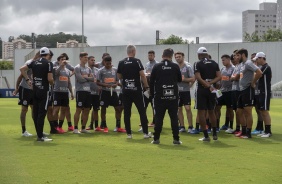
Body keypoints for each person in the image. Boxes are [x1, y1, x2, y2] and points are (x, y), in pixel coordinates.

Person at [19, 47, 54, 142]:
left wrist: (27, 80)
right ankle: (40, 136)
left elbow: (22, 69)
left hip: (35, 90)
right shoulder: (48, 63)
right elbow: (50, 79)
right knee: (42, 114)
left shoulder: (34, 62)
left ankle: (39, 134)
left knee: (36, 112)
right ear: (48, 54)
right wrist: (52, 84)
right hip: (44, 91)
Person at [117, 45, 151, 139]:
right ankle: (145, 133)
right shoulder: (137, 61)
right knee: (142, 111)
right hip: (137, 90)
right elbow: (142, 75)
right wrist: (146, 86)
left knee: (127, 112)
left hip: (126, 90)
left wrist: (126, 78)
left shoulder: (121, 62)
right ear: (133, 51)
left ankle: (129, 134)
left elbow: (119, 76)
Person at [150, 48, 182, 144]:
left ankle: (156, 139)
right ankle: (176, 139)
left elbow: (151, 81)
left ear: (162, 55)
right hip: (173, 96)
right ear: (171, 56)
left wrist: (152, 94)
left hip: (159, 96)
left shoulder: (156, 66)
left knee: (159, 117)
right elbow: (179, 79)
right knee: (174, 118)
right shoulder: (175, 66)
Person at [194, 47, 221, 141]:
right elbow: (219, 76)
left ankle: (206, 136)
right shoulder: (214, 63)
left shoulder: (198, 63)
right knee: (211, 111)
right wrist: (210, 84)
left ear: (199, 54)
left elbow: (198, 77)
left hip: (202, 89)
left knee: (201, 112)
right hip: (212, 89)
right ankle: (214, 134)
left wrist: (206, 84)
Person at [235, 48, 262, 139]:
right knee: (239, 111)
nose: (236, 57)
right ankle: (243, 131)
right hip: (241, 90)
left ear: (243, 55)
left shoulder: (248, 63)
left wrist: (253, 82)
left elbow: (259, 72)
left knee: (248, 112)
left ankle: (248, 133)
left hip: (248, 90)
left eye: (238, 55)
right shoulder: (242, 65)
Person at [13, 52, 41, 137]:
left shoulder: (38, 65)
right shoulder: (29, 63)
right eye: (40, 57)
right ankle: (24, 130)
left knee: (34, 109)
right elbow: (20, 76)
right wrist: (17, 88)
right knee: (24, 109)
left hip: (33, 90)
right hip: (25, 89)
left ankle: (38, 130)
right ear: (37, 56)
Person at [97, 55, 126, 133]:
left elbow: (117, 80)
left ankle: (118, 126)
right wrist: (106, 85)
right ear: (104, 62)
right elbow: (97, 82)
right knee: (103, 109)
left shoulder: (115, 70)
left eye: (110, 63)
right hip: (104, 92)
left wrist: (115, 84)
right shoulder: (100, 71)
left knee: (118, 108)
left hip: (113, 92)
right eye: (107, 63)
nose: (108, 65)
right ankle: (104, 126)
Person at [53, 53, 75, 131]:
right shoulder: (56, 68)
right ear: (58, 61)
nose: (63, 61)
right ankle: (54, 126)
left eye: (64, 59)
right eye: (62, 59)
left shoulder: (67, 71)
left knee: (64, 109)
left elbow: (68, 83)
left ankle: (60, 126)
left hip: (65, 92)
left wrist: (71, 93)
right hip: (57, 92)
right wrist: (61, 65)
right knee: (56, 109)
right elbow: (55, 74)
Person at [73, 52, 94, 134]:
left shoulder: (89, 68)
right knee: (78, 109)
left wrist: (85, 77)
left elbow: (93, 79)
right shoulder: (77, 68)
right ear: (80, 58)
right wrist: (87, 78)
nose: (86, 59)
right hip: (80, 91)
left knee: (87, 110)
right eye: (85, 57)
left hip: (88, 91)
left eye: (87, 57)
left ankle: (83, 128)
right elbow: (80, 79)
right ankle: (75, 128)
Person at [175, 51, 195, 133]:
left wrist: (185, 81)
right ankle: (182, 126)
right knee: (179, 108)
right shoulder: (175, 66)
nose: (177, 58)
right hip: (177, 91)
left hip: (185, 91)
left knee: (187, 108)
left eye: (179, 57)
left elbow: (193, 78)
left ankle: (190, 126)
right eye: (176, 57)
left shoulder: (188, 66)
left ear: (183, 57)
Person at [253, 52, 272, 137]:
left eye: (257, 59)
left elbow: (259, 74)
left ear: (261, 58)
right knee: (263, 111)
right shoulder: (262, 67)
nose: (257, 61)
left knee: (265, 111)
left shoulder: (266, 67)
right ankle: (266, 130)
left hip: (265, 92)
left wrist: (253, 82)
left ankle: (268, 131)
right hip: (262, 92)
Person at [215, 54, 235, 132]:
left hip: (230, 91)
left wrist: (225, 78)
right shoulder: (222, 69)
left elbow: (234, 78)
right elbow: (220, 79)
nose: (223, 62)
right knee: (217, 108)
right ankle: (217, 126)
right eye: (222, 60)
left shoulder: (233, 68)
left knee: (230, 109)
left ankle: (230, 126)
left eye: (224, 60)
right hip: (221, 91)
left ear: (228, 59)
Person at [86, 56, 101, 131]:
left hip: (96, 93)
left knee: (96, 110)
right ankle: (84, 126)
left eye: (94, 60)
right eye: (92, 60)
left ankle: (96, 126)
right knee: (86, 109)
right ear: (88, 61)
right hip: (88, 93)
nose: (93, 61)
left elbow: (98, 81)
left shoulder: (97, 70)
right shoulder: (85, 70)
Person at [250, 53, 264, 135]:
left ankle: (260, 128)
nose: (253, 60)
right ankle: (258, 127)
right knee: (257, 110)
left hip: (259, 92)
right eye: (252, 59)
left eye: (254, 59)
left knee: (260, 111)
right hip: (253, 92)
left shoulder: (260, 68)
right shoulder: (252, 68)